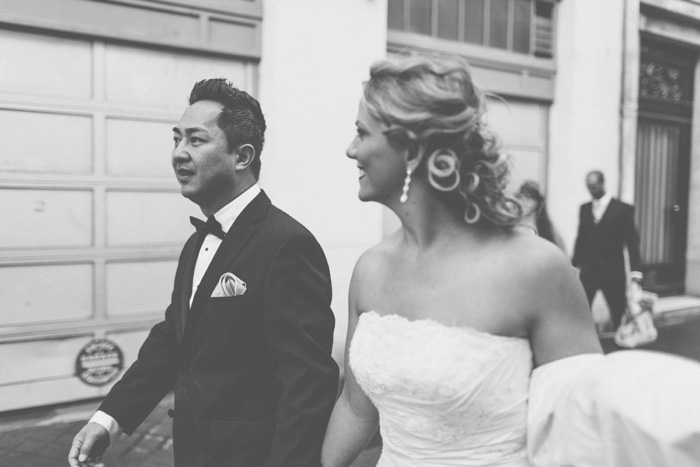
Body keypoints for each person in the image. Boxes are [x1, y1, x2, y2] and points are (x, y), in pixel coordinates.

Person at [321, 53, 603, 466]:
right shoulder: (370, 270)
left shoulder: (535, 268)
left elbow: (584, 429)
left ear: (412, 149)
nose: (350, 150)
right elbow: (355, 408)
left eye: (362, 133)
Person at [69, 79, 339, 466]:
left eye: (196, 140)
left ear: (242, 157)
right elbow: (173, 339)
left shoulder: (286, 246)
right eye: (176, 139)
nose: (179, 153)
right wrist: (108, 419)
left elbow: (308, 384)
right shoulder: (198, 242)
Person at [572, 170, 642, 332]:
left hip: (612, 271)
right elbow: (581, 238)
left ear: (603, 184)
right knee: (581, 311)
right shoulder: (584, 209)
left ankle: (622, 346)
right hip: (589, 272)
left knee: (618, 312)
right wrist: (575, 264)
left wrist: (636, 272)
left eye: (595, 187)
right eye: (589, 187)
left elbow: (632, 241)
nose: (591, 191)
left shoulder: (623, 209)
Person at [515, 180, 566, 251]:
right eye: (521, 197)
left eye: (529, 198)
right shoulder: (512, 223)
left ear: (538, 202)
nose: (524, 201)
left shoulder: (545, 227)